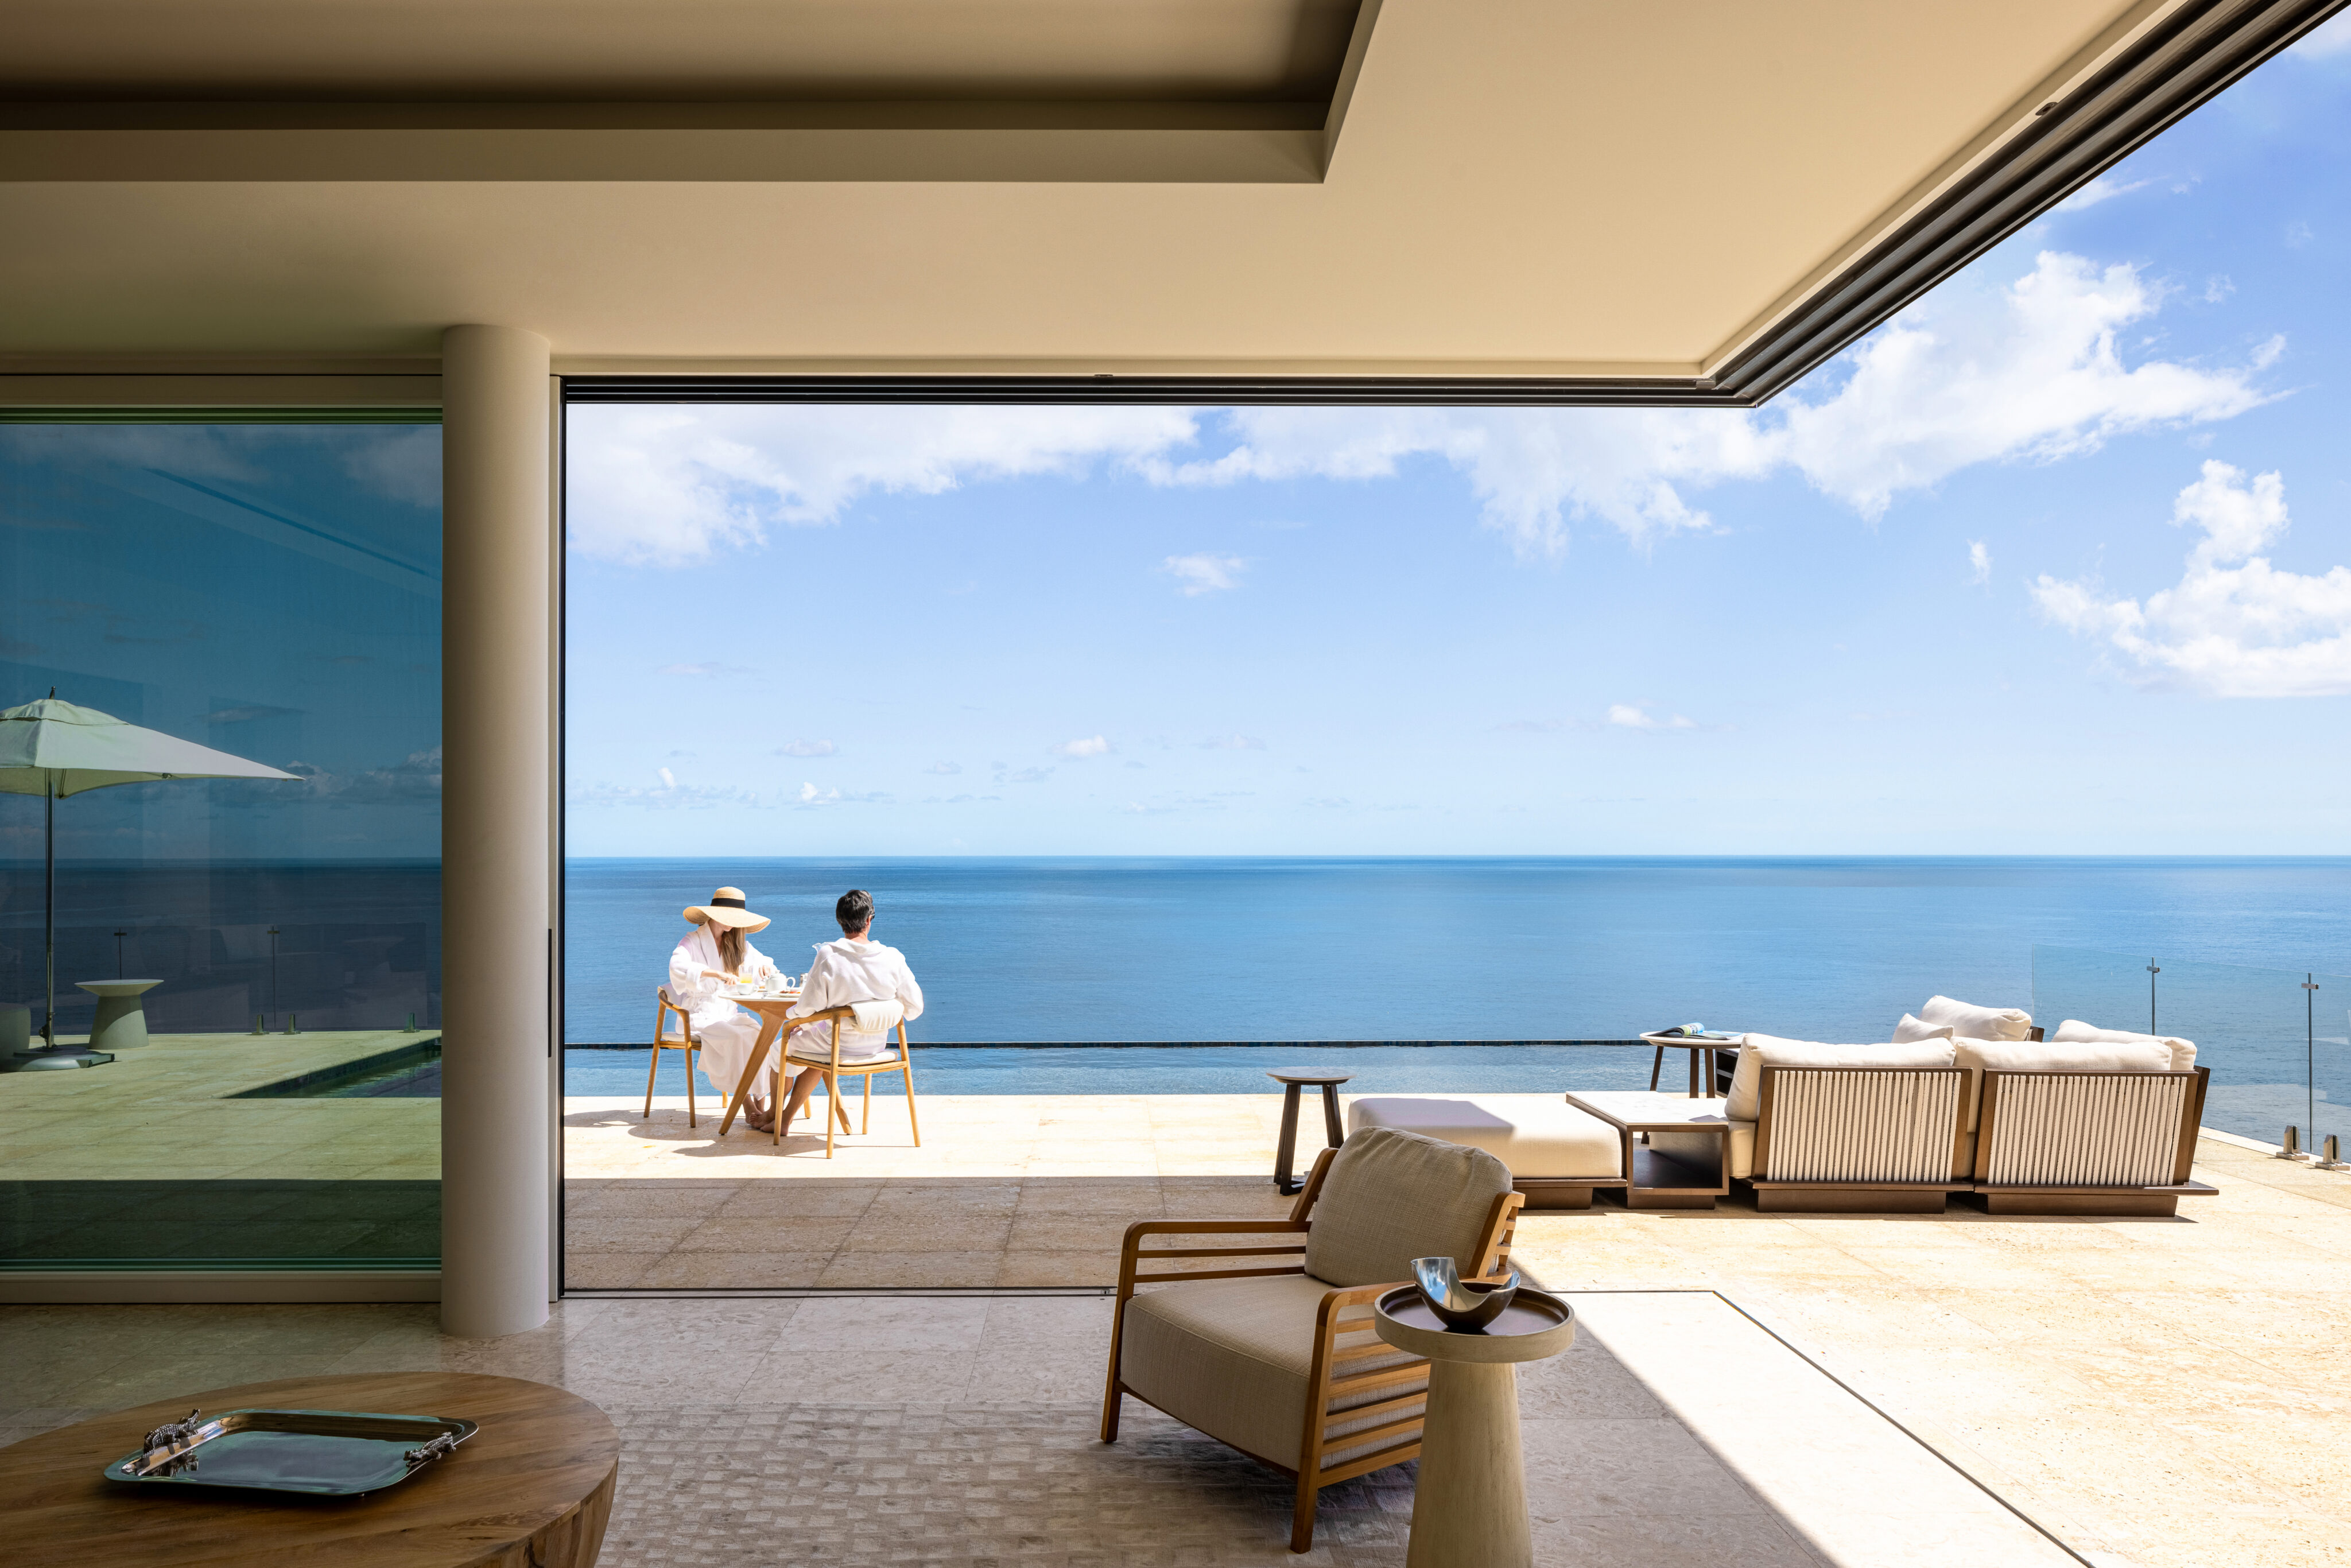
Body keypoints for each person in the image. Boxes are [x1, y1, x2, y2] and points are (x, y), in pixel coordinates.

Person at [756, 888, 925, 1135]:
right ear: (869, 920)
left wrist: (791, 1019)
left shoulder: (830, 955)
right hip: (875, 1047)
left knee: (783, 1043)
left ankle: (773, 1113)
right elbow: (915, 1008)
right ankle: (784, 1119)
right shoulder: (893, 957)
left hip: (835, 1045)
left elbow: (807, 1007)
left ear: (840, 921)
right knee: (819, 1052)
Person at [666, 886, 786, 1120]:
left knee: (759, 1036)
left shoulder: (737, 943)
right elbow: (677, 967)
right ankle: (747, 1105)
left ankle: (762, 1104)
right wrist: (715, 974)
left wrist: (766, 967)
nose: (733, 924)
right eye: (729, 917)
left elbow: (764, 961)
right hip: (700, 1015)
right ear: (715, 914)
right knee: (737, 1038)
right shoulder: (691, 941)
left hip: (728, 1013)